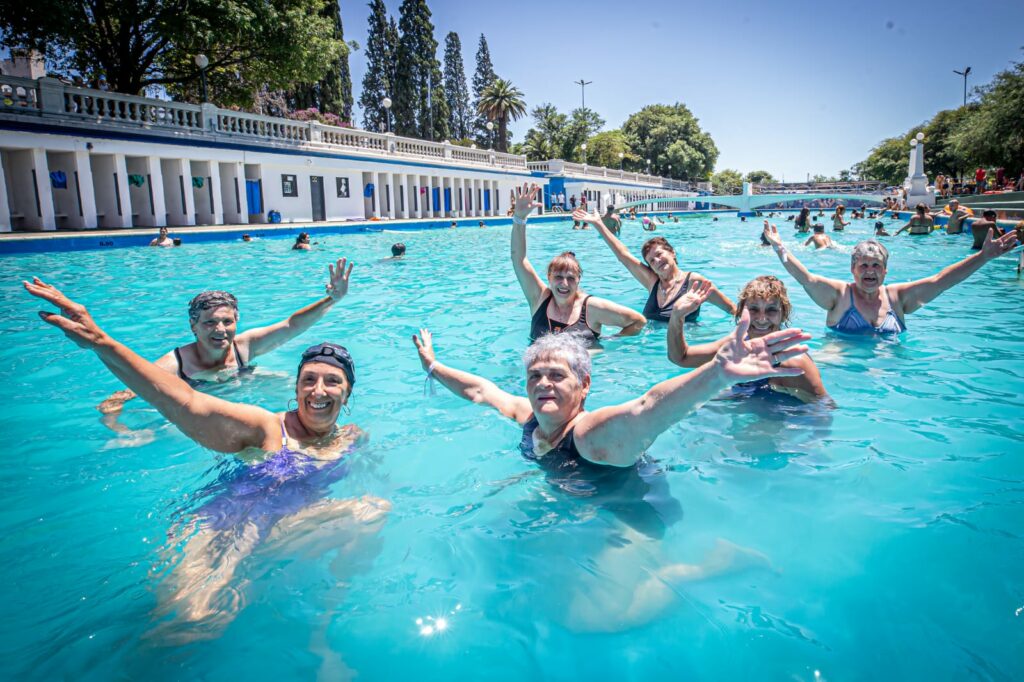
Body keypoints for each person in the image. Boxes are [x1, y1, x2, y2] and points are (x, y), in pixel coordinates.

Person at [24, 278, 390, 635]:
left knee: (374, 509)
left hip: (282, 529)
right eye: (308, 380)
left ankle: (329, 614)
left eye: (332, 381)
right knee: (194, 619)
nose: (318, 391)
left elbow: (291, 325)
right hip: (221, 522)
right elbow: (185, 401)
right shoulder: (266, 426)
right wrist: (102, 343)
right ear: (295, 389)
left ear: (348, 392)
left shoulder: (353, 438)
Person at [412, 314, 809, 469]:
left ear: (584, 386)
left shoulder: (588, 433)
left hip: (633, 515)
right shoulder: (528, 416)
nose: (542, 383)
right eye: (534, 376)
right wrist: (432, 365)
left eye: (556, 375)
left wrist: (716, 375)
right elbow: (480, 390)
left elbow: (647, 408)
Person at [98, 259, 355, 421]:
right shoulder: (174, 365)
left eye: (227, 322)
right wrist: (122, 432)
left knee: (290, 384)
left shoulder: (243, 346)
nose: (220, 330)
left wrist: (333, 299)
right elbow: (115, 399)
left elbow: (291, 325)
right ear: (194, 326)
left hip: (242, 387)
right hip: (203, 406)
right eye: (209, 322)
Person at [763, 222, 1018, 335]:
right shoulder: (839, 295)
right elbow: (805, 278)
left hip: (890, 375)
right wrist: (779, 247)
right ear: (853, 269)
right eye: (864, 265)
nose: (870, 271)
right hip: (843, 367)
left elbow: (942, 280)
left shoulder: (898, 297)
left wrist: (983, 258)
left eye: (876, 265)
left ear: (885, 271)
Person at [509, 187, 644, 346]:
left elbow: (637, 322)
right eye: (558, 277)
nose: (564, 283)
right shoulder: (539, 298)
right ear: (549, 278)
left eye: (571, 278)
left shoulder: (591, 308)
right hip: (539, 369)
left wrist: (604, 344)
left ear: (579, 280)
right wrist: (519, 218)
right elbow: (518, 259)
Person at [666, 276, 828, 403]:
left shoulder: (794, 362)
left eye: (771, 310)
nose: (762, 319)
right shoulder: (738, 343)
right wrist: (677, 316)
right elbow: (681, 357)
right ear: (741, 311)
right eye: (754, 309)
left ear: (783, 314)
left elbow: (823, 409)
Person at [574, 207, 736, 323]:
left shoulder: (695, 282)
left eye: (659, 254)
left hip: (683, 351)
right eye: (651, 260)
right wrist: (598, 224)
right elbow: (623, 256)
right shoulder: (653, 283)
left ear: (672, 252)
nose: (657, 261)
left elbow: (732, 310)